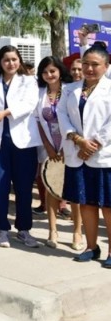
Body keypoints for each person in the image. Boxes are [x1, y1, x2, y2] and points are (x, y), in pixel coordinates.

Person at [0, 45, 42, 248]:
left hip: (23, 142)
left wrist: (6, 113)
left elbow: (29, 104)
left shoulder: (29, 81)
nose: (11, 63)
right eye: (6, 60)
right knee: (0, 187)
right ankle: (2, 230)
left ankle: (24, 230)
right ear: (0, 62)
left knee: (24, 188)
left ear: (19, 61)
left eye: (14, 59)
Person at [58, 43, 111, 266]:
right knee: (86, 203)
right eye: (86, 63)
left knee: (108, 205)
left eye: (95, 64)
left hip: (104, 155)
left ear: (106, 66)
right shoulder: (70, 89)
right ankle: (91, 247)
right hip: (77, 153)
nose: (89, 68)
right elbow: (61, 114)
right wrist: (78, 140)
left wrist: (94, 144)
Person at [34, 56, 83, 250]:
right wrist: (48, 146)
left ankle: (77, 232)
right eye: (45, 72)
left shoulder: (71, 90)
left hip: (70, 146)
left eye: (52, 71)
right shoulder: (39, 93)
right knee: (51, 188)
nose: (49, 75)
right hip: (49, 147)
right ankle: (52, 231)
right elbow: (37, 121)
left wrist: (65, 145)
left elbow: (75, 119)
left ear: (60, 71)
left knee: (75, 191)